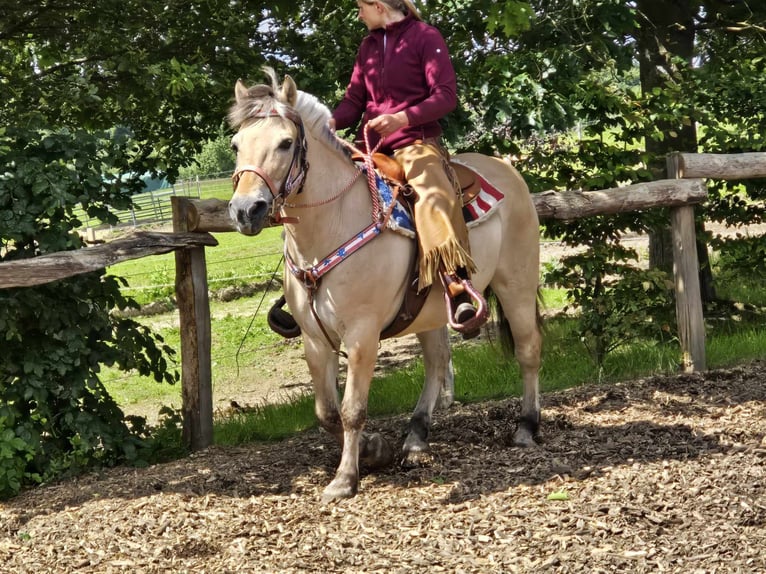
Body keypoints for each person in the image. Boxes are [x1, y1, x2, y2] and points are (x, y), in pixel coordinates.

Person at [329, 0, 487, 335]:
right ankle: (311, 284)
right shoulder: (368, 47)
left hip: (416, 142)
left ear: (379, 6)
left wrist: (402, 118)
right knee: (327, 190)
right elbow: (354, 101)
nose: (358, 14)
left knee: (432, 195)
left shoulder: (425, 37)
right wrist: (326, 121)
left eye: (361, 6)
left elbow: (446, 96)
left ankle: (456, 283)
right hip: (369, 146)